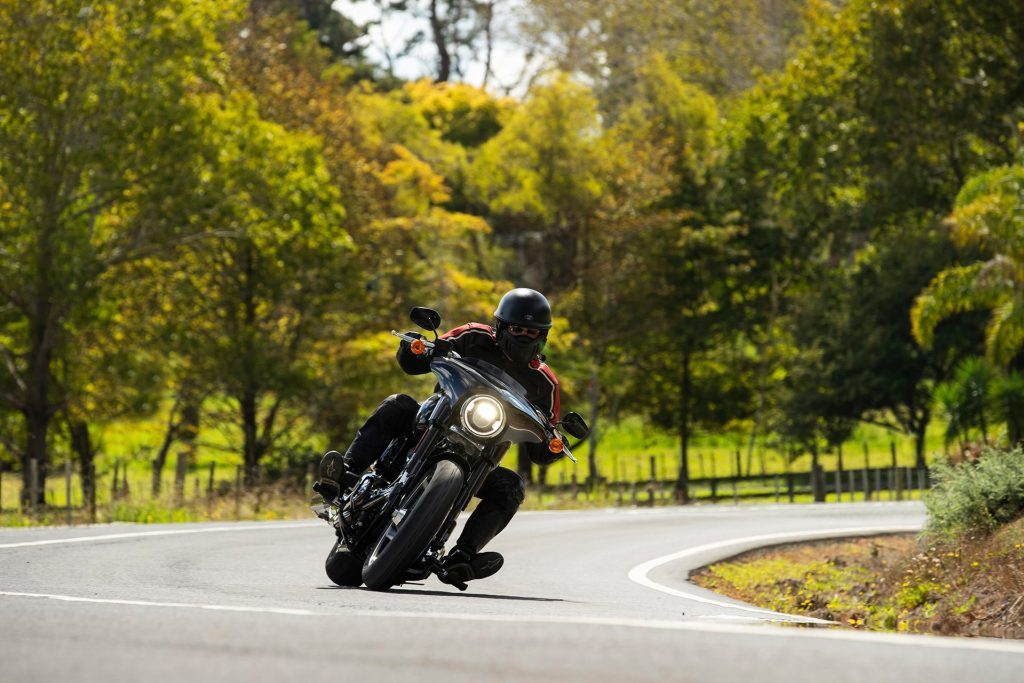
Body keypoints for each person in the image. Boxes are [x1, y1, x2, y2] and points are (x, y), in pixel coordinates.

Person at [320, 288, 564, 585]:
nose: (523, 337)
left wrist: (554, 444)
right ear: (501, 327)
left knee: (511, 486)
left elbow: (546, 435)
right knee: (398, 405)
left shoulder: (544, 383)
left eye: (532, 332)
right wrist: (417, 348)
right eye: (517, 329)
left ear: (543, 336)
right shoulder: (473, 336)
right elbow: (424, 355)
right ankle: (345, 473)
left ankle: (464, 554)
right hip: (431, 424)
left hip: (483, 451)